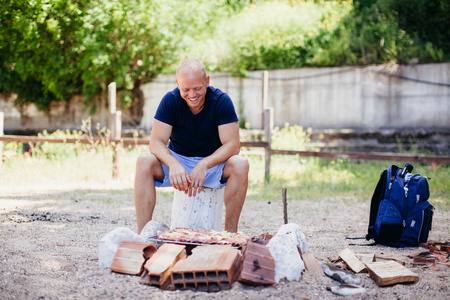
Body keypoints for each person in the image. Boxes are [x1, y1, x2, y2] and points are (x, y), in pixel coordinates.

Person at [134, 58, 249, 234]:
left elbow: (233, 145)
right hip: (178, 161)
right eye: (185, 89)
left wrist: (204, 164)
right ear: (177, 84)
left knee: (241, 164)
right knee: (144, 161)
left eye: (197, 88)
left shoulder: (221, 101)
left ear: (207, 81)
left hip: (212, 164)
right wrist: (173, 164)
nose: (192, 94)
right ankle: (143, 236)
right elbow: (155, 142)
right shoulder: (170, 100)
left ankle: (230, 236)